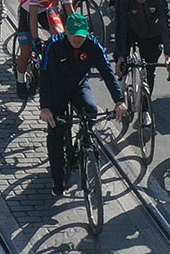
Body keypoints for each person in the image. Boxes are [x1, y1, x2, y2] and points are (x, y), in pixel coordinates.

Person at [34, 12, 124, 194]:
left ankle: (81, 143)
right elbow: (45, 77)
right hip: (56, 89)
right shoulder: (54, 45)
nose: (77, 39)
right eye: (73, 35)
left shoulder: (92, 44)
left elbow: (107, 72)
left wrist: (119, 100)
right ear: (66, 31)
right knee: (56, 134)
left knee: (90, 110)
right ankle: (58, 181)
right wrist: (45, 107)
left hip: (78, 86)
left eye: (81, 36)